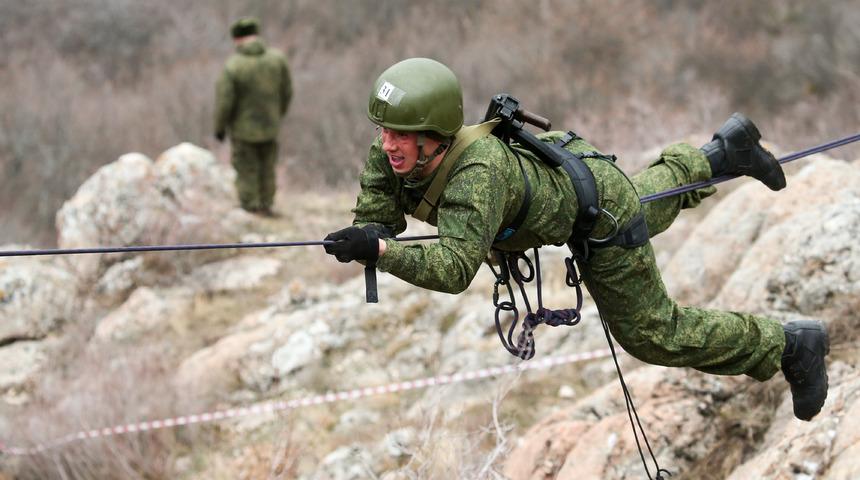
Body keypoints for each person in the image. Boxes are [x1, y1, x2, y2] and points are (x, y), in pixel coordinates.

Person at [324, 58, 829, 421]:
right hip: (580, 182)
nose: (387, 143)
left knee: (653, 334)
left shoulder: (476, 175)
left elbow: (455, 269)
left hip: (595, 215)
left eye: (400, 134)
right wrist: (369, 234)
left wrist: (382, 253)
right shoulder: (392, 151)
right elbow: (378, 216)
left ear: (433, 134)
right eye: (383, 131)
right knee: (644, 199)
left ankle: (789, 346)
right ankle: (726, 151)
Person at [214, 17, 293, 215]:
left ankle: (250, 207)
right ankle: (267, 204)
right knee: (267, 166)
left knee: (246, 168)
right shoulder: (277, 59)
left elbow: (225, 101)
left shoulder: (234, 66)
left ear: (237, 39)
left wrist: (220, 128)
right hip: (271, 125)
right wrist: (278, 113)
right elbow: (287, 91)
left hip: (243, 130)